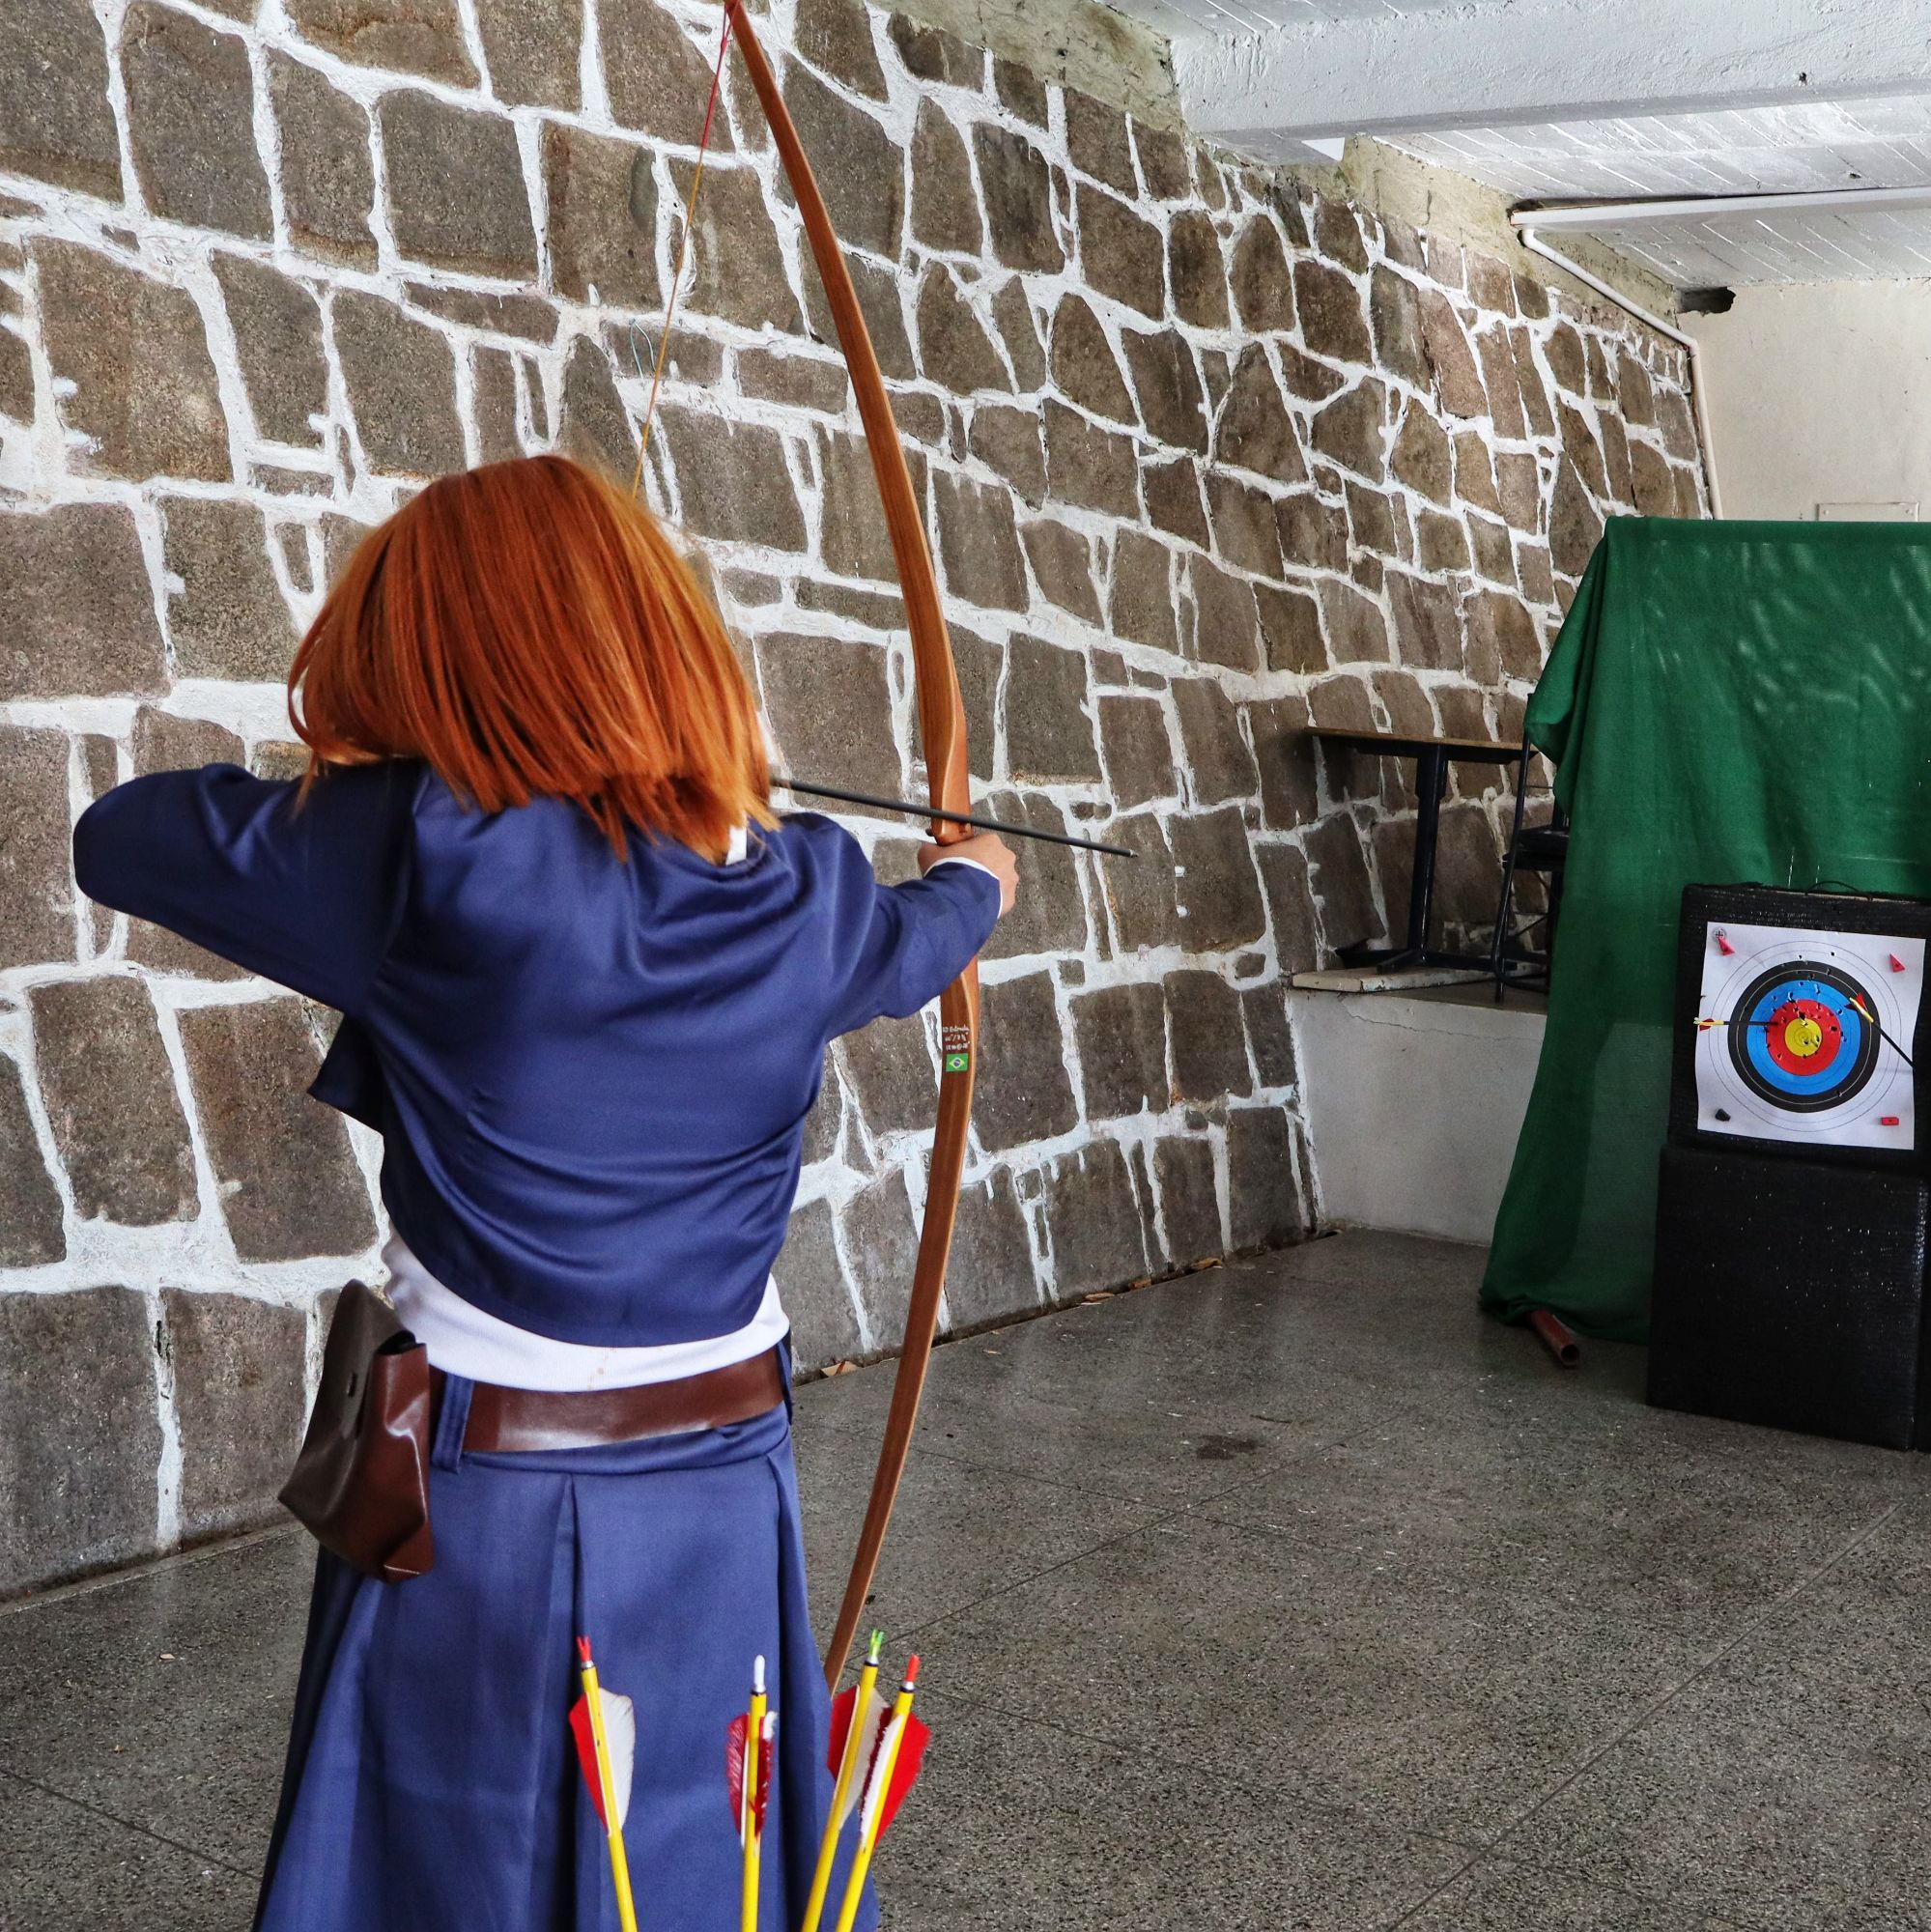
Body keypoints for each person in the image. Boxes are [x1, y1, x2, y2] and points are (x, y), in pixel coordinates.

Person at [71, 454, 1015, 1931]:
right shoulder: (809, 887)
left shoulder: (413, 852)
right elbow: (921, 936)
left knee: (462, 1879)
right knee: (699, 1857)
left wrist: (390, 778)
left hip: (484, 1505)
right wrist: (983, 877)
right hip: (728, 1486)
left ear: (441, 670)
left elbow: (124, 833)